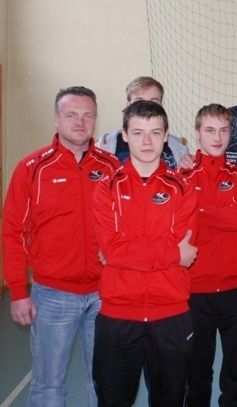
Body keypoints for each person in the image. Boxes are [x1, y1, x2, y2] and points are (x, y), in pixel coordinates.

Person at [1, 86, 120, 406]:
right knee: (48, 385)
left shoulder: (112, 168)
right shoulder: (32, 168)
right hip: (53, 296)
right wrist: (18, 291)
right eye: (71, 115)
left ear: (96, 119)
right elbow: (12, 232)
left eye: (88, 115)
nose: (80, 122)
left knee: (105, 382)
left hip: (106, 294)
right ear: (56, 119)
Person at [91, 100, 198, 406]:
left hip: (171, 316)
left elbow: (187, 246)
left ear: (166, 136)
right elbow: (113, 251)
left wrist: (130, 253)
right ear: (124, 135)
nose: (147, 141)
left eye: (155, 132)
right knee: (113, 400)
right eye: (138, 133)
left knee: (170, 400)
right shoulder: (107, 188)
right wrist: (171, 255)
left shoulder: (183, 187)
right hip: (118, 316)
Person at [180, 104, 237, 407]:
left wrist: (196, 209)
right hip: (193, 289)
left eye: (224, 130)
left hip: (236, 289)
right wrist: (219, 214)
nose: (217, 137)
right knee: (196, 369)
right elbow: (180, 226)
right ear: (197, 133)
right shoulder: (180, 176)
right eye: (210, 130)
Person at [96, 75, 189, 168]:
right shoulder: (104, 148)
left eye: (153, 102)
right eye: (139, 102)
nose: (146, 107)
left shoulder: (179, 150)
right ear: (127, 105)